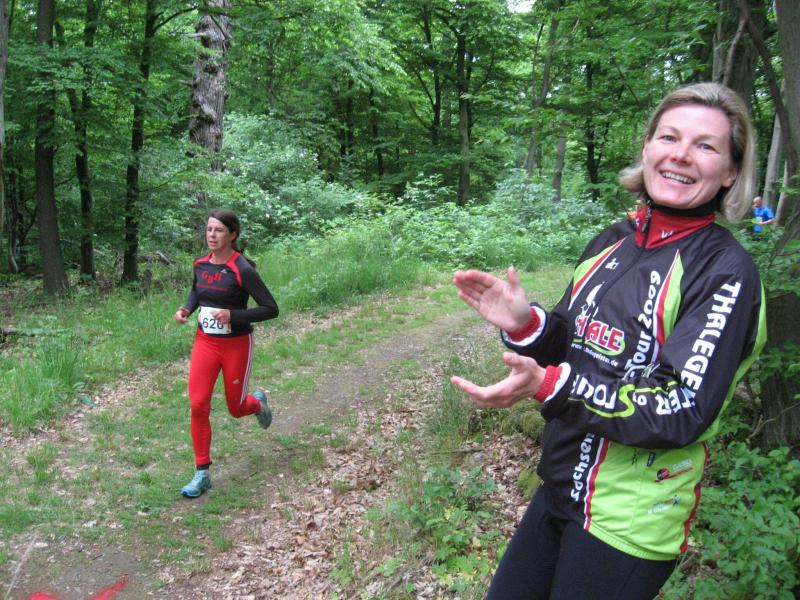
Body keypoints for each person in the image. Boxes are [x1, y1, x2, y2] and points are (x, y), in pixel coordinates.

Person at [451, 83, 767, 599]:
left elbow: (681, 406)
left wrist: (551, 386)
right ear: (647, 148)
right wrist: (527, 325)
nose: (681, 155)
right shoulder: (613, 240)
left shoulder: (725, 271)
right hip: (559, 483)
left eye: (706, 146)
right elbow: (572, 346)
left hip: (631, 518)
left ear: (730, 172)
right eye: (669, 137)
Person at [174, 208, 279, 498]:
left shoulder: (243, 269)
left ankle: (257, 404)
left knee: (236, 408)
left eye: (219, 230)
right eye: (209, 229)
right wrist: (186, 309)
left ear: (233, 234)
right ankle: (202, 473)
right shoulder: (200, 264)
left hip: (236, 344)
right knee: (198, 404)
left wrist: (233, 315)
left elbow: (271, 309)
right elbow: (197, 292)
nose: (212, 235)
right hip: (205, 343)